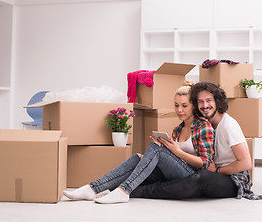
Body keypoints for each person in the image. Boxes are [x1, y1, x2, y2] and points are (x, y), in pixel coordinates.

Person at [63, 81, 214, 204]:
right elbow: (173, 160)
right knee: (139, 157)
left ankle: (124, 191)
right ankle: (92, 189)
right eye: (176, 105)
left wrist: (176, 152)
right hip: (175, 173)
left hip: (192, 177)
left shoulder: (203, 127)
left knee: (157, 149)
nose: (179, 110)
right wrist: (159, 151)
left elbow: (204, 163)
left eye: (184, 106)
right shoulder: (177, 129)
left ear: (194, 105)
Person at [130, 82, 262, 200]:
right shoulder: (204, 124)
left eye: (209, 100)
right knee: (186, 174)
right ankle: (128, 186)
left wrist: (218, 170)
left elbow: (246, 163)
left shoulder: (228, 126)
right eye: (200, 102)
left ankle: (144, 191)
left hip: (234, 179)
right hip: (212, 172)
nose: (205, 105)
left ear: (217, 101)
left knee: (201, 177)